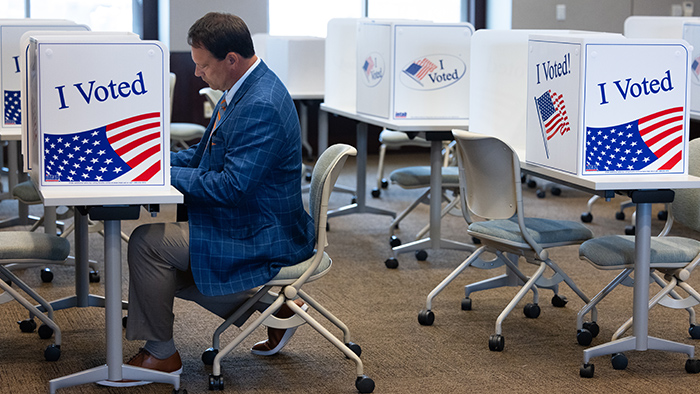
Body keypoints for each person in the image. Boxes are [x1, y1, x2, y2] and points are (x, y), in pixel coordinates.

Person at [98, 12, 315, 387]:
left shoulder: (259, 103)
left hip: (262, 229)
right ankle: (274, 311)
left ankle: (162, 355)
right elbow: (203, 156)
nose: (197, 73)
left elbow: (231, 186)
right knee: (161, 268)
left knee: (149, 244)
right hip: (250, 216)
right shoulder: (242, 89)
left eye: (202, 65)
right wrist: (150, 163)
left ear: (230, 59)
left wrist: (160, 175)